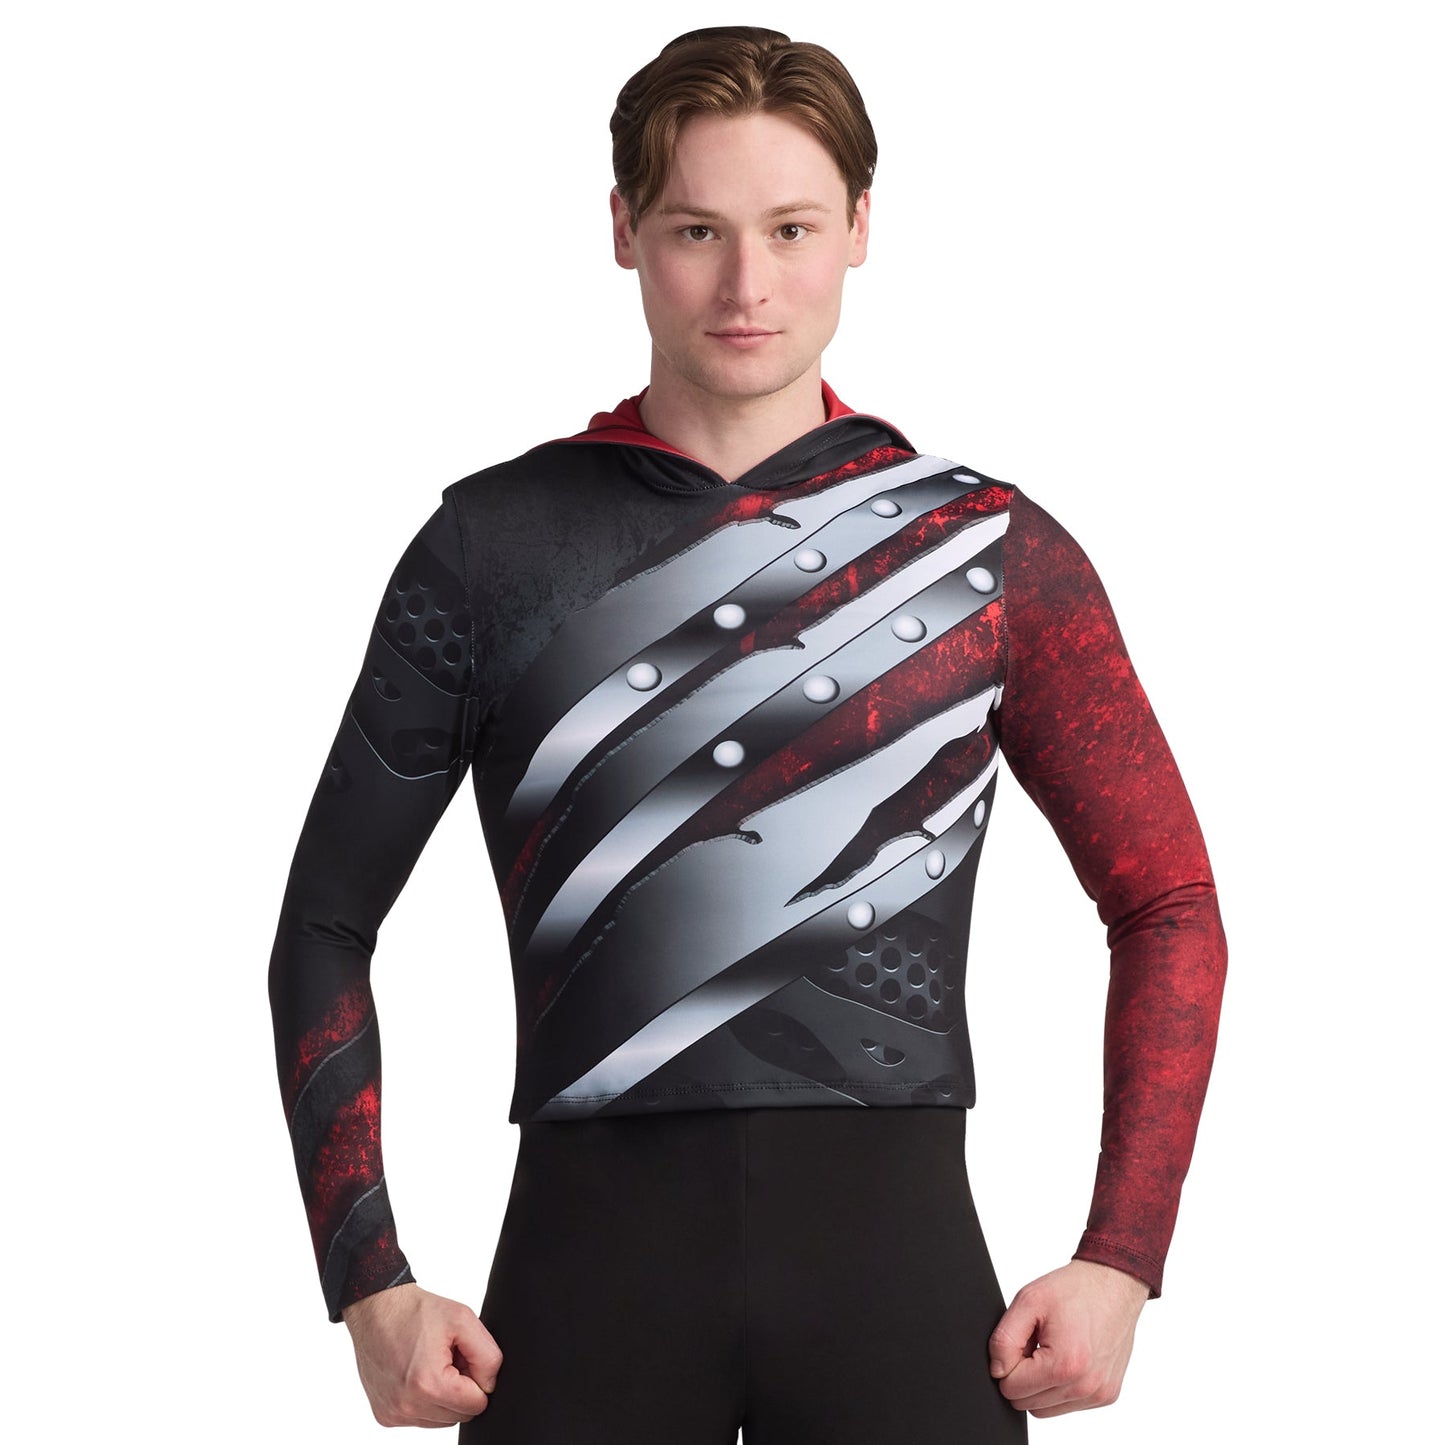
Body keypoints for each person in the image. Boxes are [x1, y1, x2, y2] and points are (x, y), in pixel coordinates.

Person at [268, 25, 1226, 1442]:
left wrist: (1122, 1257)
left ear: (858, 229)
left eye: (789, 228)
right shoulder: (489, 550)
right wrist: (369, 1283)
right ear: (622, 231)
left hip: (895, 1291)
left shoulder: (985, 553)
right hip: (586, 1296)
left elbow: (1169, 903)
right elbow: (323, 925)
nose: (745, 285)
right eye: (695, 230)